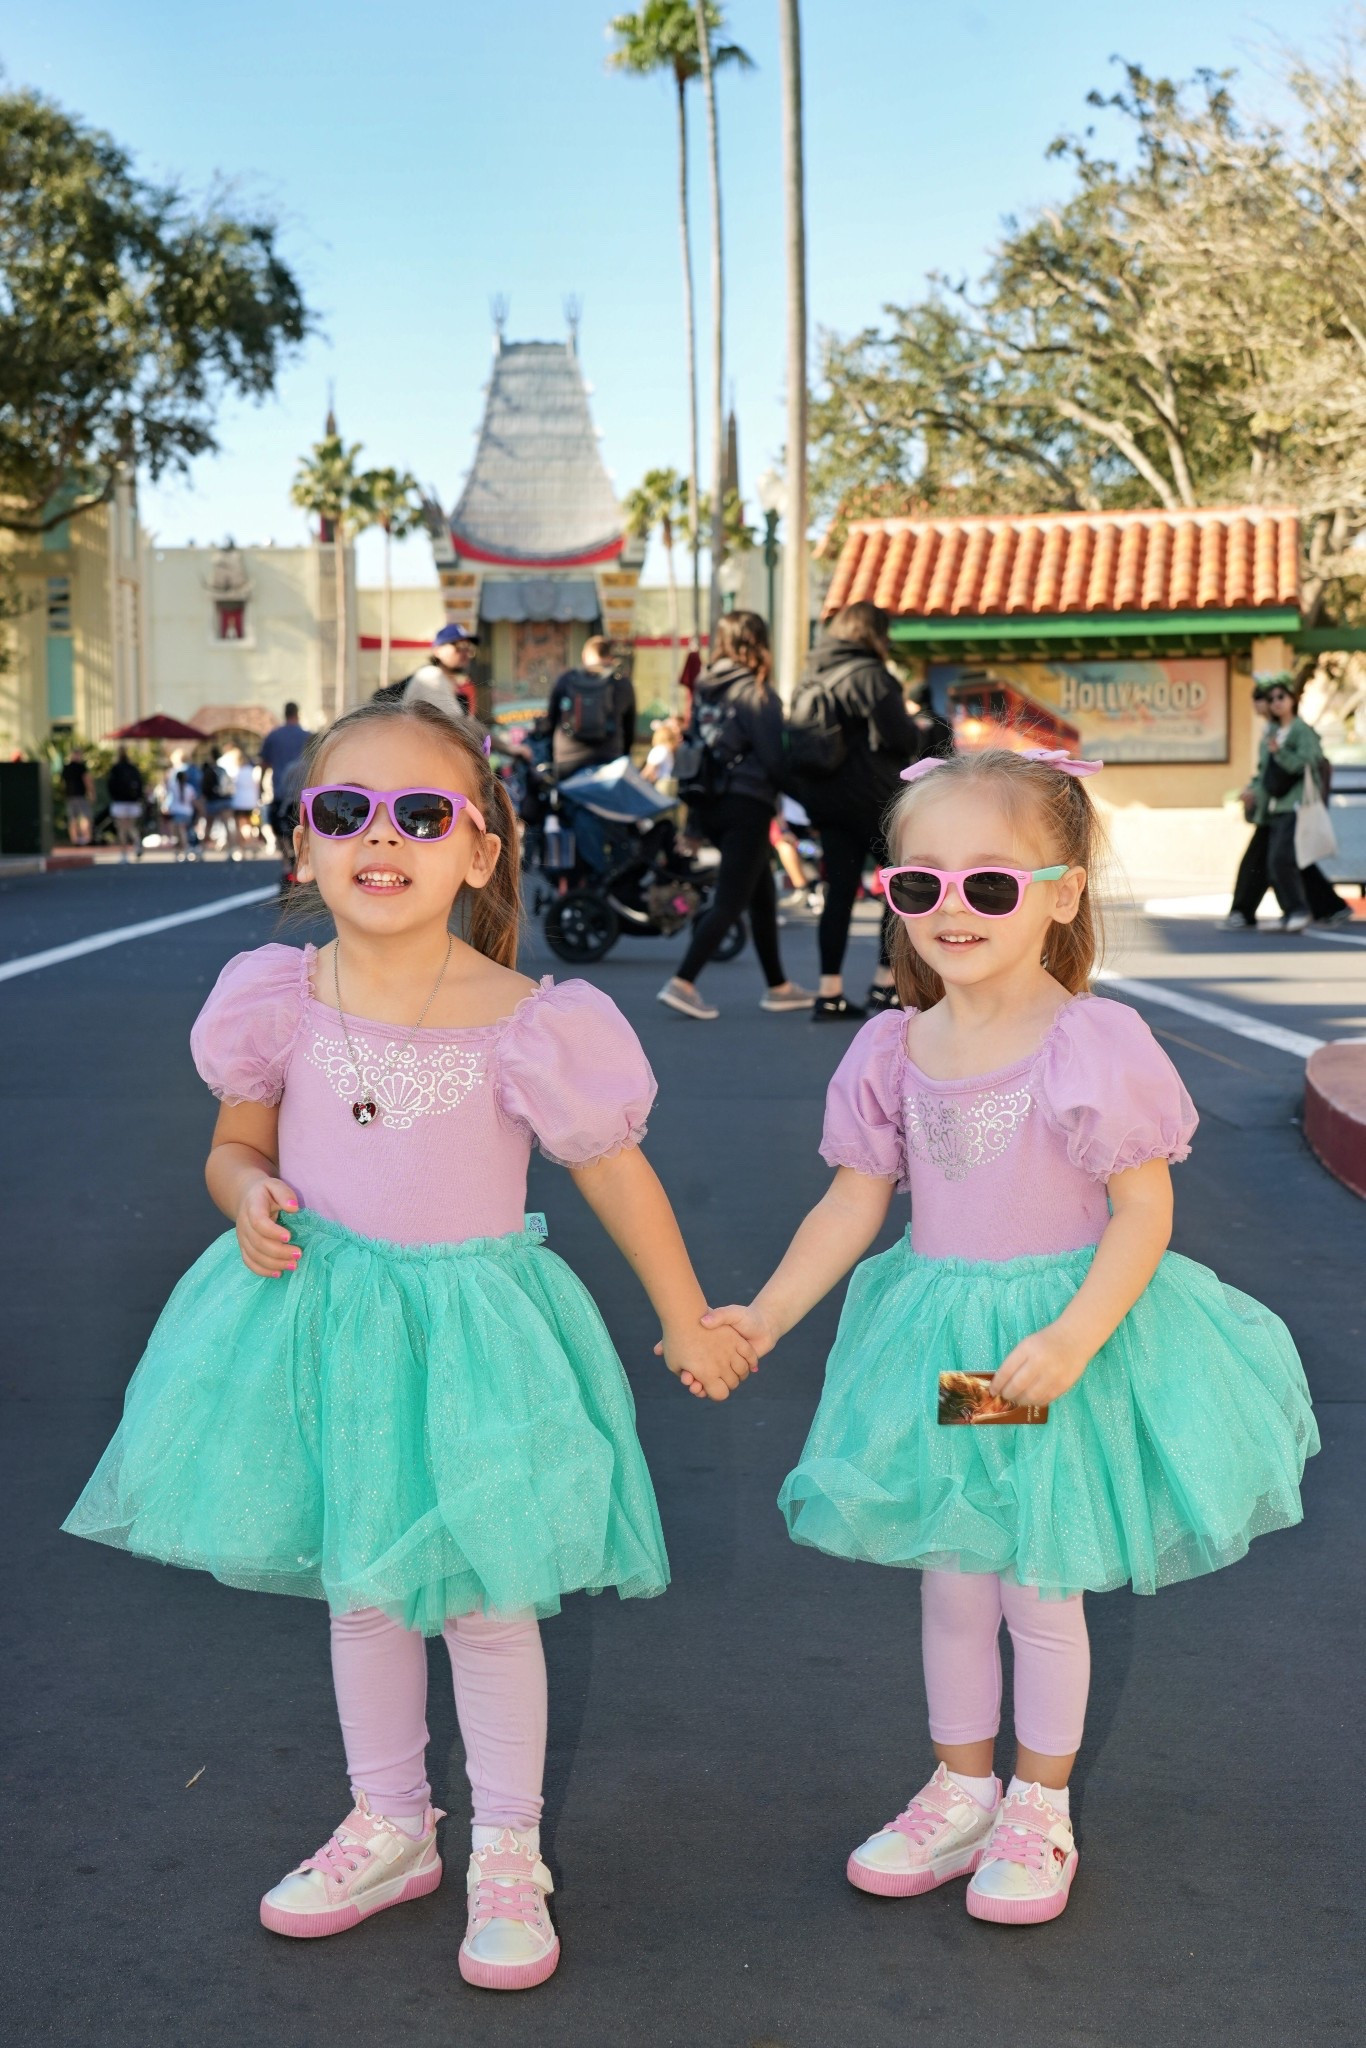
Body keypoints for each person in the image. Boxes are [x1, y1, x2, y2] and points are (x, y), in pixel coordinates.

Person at [62, 694, 754, 1991]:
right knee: (365, 1590)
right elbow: (234, 1148)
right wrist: (244, 1198)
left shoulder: (526, 1018)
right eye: (345, 811)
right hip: (325, 1326)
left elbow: (612, 1173)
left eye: (422, 813)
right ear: (303, 846)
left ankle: (505, 1850)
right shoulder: (275, 999)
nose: (382, 837)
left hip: (476, 1341)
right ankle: (389, 1823)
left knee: (488, 1604)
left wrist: (682, 1315)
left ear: (479, 849)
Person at [700, 746, 1316, 1926]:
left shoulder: (1089, 1042)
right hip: (946, 1340)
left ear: (1061, 891)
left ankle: (1040, 1803)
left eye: (990, 885)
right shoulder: (894, 1047)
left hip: (1051, 1342)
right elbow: (851, 1199)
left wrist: (1077, 1336)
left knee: (1037, 1577)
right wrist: (765, 1314)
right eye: (917, 884)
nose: (951, 910)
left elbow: (1145, 1211)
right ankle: (958, 1782)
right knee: (954, 1568)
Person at [658, 612, 815, 1020]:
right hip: (747, 804)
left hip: (709, 804)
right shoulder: (756, 693)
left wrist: (691, 824)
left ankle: (779, 987)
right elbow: (775, 761)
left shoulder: (706, 690)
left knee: (761, 896)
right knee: (729, 902)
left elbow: (695, 752)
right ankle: (683, 982)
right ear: (757, 643)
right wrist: (813, 804)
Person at [787, 603, 937, 1022]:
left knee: (839, 894)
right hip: (876, 799)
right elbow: (900, 736)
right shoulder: (872, 676)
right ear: (873, 634)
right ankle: (884, 983)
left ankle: (829, 991)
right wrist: (919, 730)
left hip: (828, 802)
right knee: (897, 890)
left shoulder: (815, 673)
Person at [1222, 678, 1350, 930]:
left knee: (1278, 860)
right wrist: (1253, 792)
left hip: (1296, 806)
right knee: (1280, 860)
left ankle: (1295, 910)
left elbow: (1307, 762)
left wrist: (1279, 751)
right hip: (1273, 807)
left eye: (1280, 697)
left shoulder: (1300, 730)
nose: (1274, 703)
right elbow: (1265, 772)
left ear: (1292, 699)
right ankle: (1324, 907)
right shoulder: (1270, 733)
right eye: (1270, 699)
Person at [545, 636, 636, 778]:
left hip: (568, 759)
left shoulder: (566, 680)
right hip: (609, 760)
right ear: (610, 657)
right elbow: (629, 727)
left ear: (584, 656)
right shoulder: (621, 683)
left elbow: (550, 721)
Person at [375, 623, 479, 711]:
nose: (465, 652)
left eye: (468, 647)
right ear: (438, 650)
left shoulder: (451, 682)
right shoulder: (431, 676)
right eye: (459, 646)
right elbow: (456, 724)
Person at [260, 703, 312, 852]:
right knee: (304, 829)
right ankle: (301, 860)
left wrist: (260, 788)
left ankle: (286, 862)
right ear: (298, 713)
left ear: (285, 714)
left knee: (281, 829)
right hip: (304, 791)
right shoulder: (307, 736)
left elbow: (264, 763)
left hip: (280, 791)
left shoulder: (273, 736)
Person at [106, 747, 145, 862]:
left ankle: (124, 854)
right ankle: (137, 841)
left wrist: (114, 797)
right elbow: (140, 785)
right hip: (133, 802)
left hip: (119, 802)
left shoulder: (115, 769)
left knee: (122, 828)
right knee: (131, 826)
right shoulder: (133, 768)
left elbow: (110, 785)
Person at [163, 750, 201, 860]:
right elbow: (194, 800)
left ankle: (182, 850)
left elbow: (167, 793)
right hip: (187, 812)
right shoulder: (189, 787)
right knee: (184, 831)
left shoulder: (174, 786)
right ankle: (186, 849)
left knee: (178, 832)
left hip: (177, 811)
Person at [61, 749, 94, 846]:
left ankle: (75, 839)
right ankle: (86, 838)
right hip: (79, 795)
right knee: (85, 817)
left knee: (73, 818)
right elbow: (87, 780)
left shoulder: (67, 768)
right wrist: (91, 793)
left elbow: (63, 783)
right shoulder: (81, 767)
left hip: (70, 796)